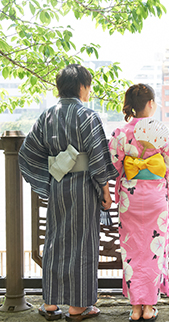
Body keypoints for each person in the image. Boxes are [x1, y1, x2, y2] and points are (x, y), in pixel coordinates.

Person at [18, 64, 119, 321]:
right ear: (83, 87)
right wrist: (106, 192)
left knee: (54, 242)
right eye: (89, 86)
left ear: (59, 88)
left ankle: (50, 304)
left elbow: (28, 153)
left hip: (58, 186)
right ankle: (78, 307)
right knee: (83, 243)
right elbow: (97, 159)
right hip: (84, 187)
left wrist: (48, 178)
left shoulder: (47, 116)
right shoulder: (88, 116)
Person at [108, 84, 169, 321]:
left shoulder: (120, 132)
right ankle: (149, 306)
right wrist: (160, 180)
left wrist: (131, 174)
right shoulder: (162, 131)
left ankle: (135, 306)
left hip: (130, 197)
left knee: (132, 249)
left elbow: (115, 163)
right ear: (150, 104)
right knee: (153, 248)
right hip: (155, 197)